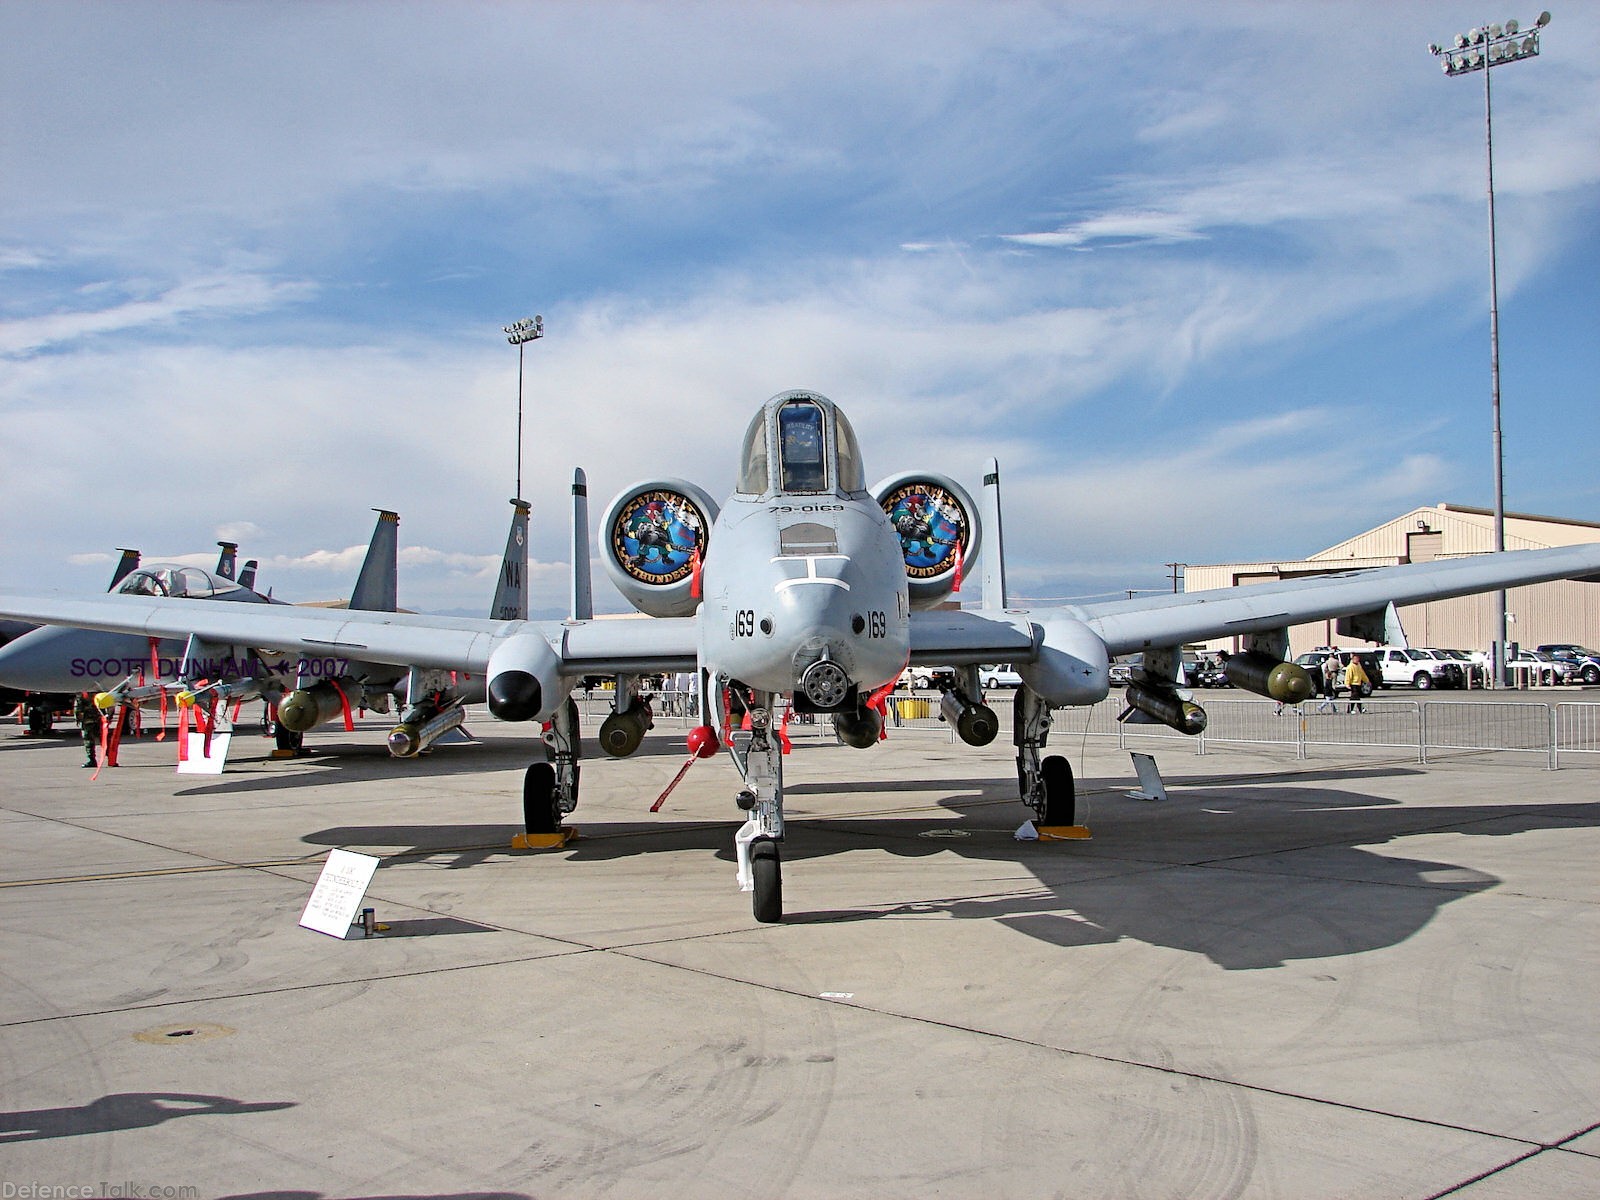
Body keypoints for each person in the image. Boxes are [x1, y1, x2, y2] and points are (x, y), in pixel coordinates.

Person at [73, 691, 102, 768]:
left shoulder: (82, 695)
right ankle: (111, 758)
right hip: (98, 720)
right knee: (103, 739)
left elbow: (78, 709)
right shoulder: (98, 693)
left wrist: (78, 719)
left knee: (88, 740)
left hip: (87, 721)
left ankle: (92, 760)